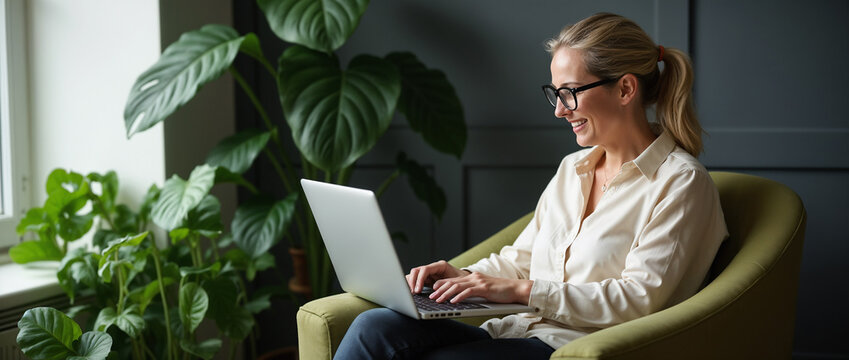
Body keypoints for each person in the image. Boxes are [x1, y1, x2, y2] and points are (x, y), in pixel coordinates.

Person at [334, 12, 728, 360]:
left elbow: (639, 301)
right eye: (555, 94)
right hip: (516, 334)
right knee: (375, 327)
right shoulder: (573, 169)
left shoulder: (681, 184)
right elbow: (522, 258)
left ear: (625, 89)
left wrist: (521, 292)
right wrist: (461, 275)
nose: (560, 110)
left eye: (570, 93)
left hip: (576, 349)